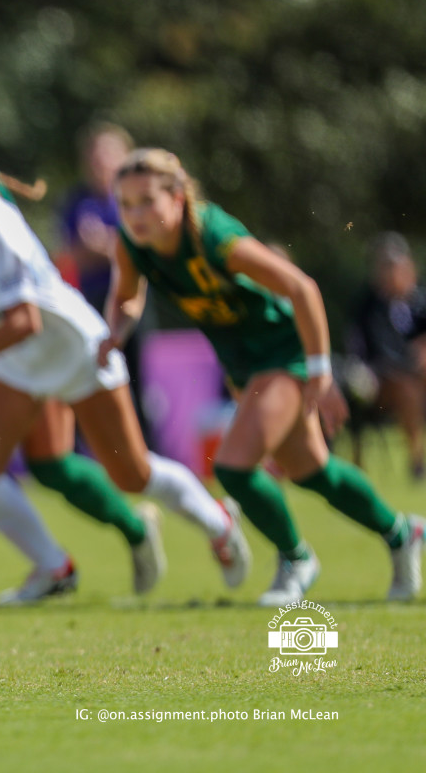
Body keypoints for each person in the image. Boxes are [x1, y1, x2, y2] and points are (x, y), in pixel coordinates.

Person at [0, 81, 232, 602]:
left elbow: (26, 320)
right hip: (19, 354)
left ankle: (219, 521)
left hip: (70, 344)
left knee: (131, 472)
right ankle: (54, 567)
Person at [103, 148, 424, 605]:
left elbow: (302, 288)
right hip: (245, 365)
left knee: (234, 467)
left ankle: (296, 558)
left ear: (177, 197)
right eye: (125, 203)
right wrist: (113, 332)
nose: (135, 214)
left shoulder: (214, 236)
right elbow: (126, 298)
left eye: (146, 200)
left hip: (283, 353)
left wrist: (321, 373)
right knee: (314, 473)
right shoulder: (132, 242)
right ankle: (401, 534)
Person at [57, 122, 152, 443]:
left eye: (107, 155)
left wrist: (105, 246)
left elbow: (145, 246)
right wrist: (107, 247)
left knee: (135, 383)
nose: (100, 163)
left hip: (131, 300)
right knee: (92, 381)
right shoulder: (76, 201)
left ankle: (147, 455)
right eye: (95, 156)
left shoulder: (136, 199)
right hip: (92, 302)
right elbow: (72, 254)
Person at [349, 232, 426, 478]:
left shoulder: (419, 303)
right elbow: (361, 347)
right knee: (404, 388)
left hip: (415, 374)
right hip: (379, 377)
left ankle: (416, 457)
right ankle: (414, 460)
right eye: (385, 267)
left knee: (411, 385)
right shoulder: (369, 305)